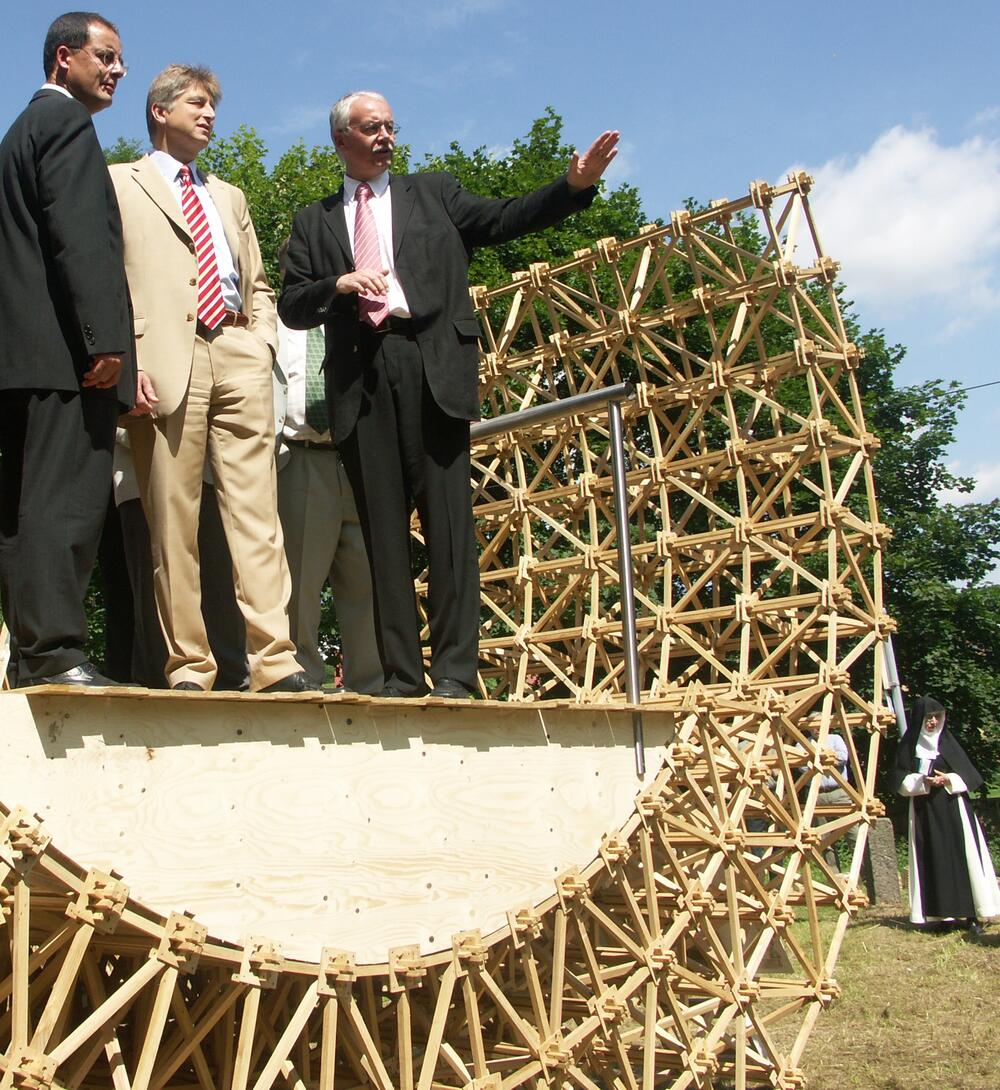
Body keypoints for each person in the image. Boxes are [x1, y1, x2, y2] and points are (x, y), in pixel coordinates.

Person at [279, 90, 619, 699]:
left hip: (432, 366)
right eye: (371, 127)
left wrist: (571, 186)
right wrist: (339, 282)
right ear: (342, 139)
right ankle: (401, 678)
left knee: (449, 530)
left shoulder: (434, 193)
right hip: (362, 378)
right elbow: (293, 304)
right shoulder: (314, 221)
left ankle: (457, 674)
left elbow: (506, 217)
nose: (386, 135)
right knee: (384, 537)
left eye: (391, 125)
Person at [110, 64, 313, 693]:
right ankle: (190, 666)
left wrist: (259, 342)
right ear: (159, 112)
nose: (209, 115)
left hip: (236, 350)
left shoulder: (228, 195)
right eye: (196, 104)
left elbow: (255, 280)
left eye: (212, 107)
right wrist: (129, 360)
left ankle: (274, 661)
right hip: (165, 359)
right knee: (173, 519)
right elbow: (106, 281)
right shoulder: (119, 183)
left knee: (258, 515)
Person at [0, 11, 136, 687]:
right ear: (63, 59)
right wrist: (104, 341)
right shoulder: (66, 126)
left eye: (120, 60)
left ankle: (31, 653)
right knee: (65, 503)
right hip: (68, 361)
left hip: (23, 359)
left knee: (23, 511)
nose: (117, 70)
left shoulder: (19, 132)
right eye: (106, 56)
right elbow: (79, 240)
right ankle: (54, 652)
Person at [275, 314, 383, 693]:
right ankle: (300, 676)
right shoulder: (271, 325)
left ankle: (373, 682)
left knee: (368, 579)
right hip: (300, 458)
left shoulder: (359, 322)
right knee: (299, 582)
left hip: (357, 458)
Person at [890, 696, 1000, 931]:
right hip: (924, 812)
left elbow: (969, 776)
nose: (932, 722)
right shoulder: (909, 746)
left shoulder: (948, 743)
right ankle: (939, 916)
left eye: (937, 717)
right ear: (920, 719)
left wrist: (948, 778)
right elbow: (900, 782)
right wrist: (923, 781)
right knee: (931, 857)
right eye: (928, 718)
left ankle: (972, 914)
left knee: (963, 856)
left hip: (954, 807)